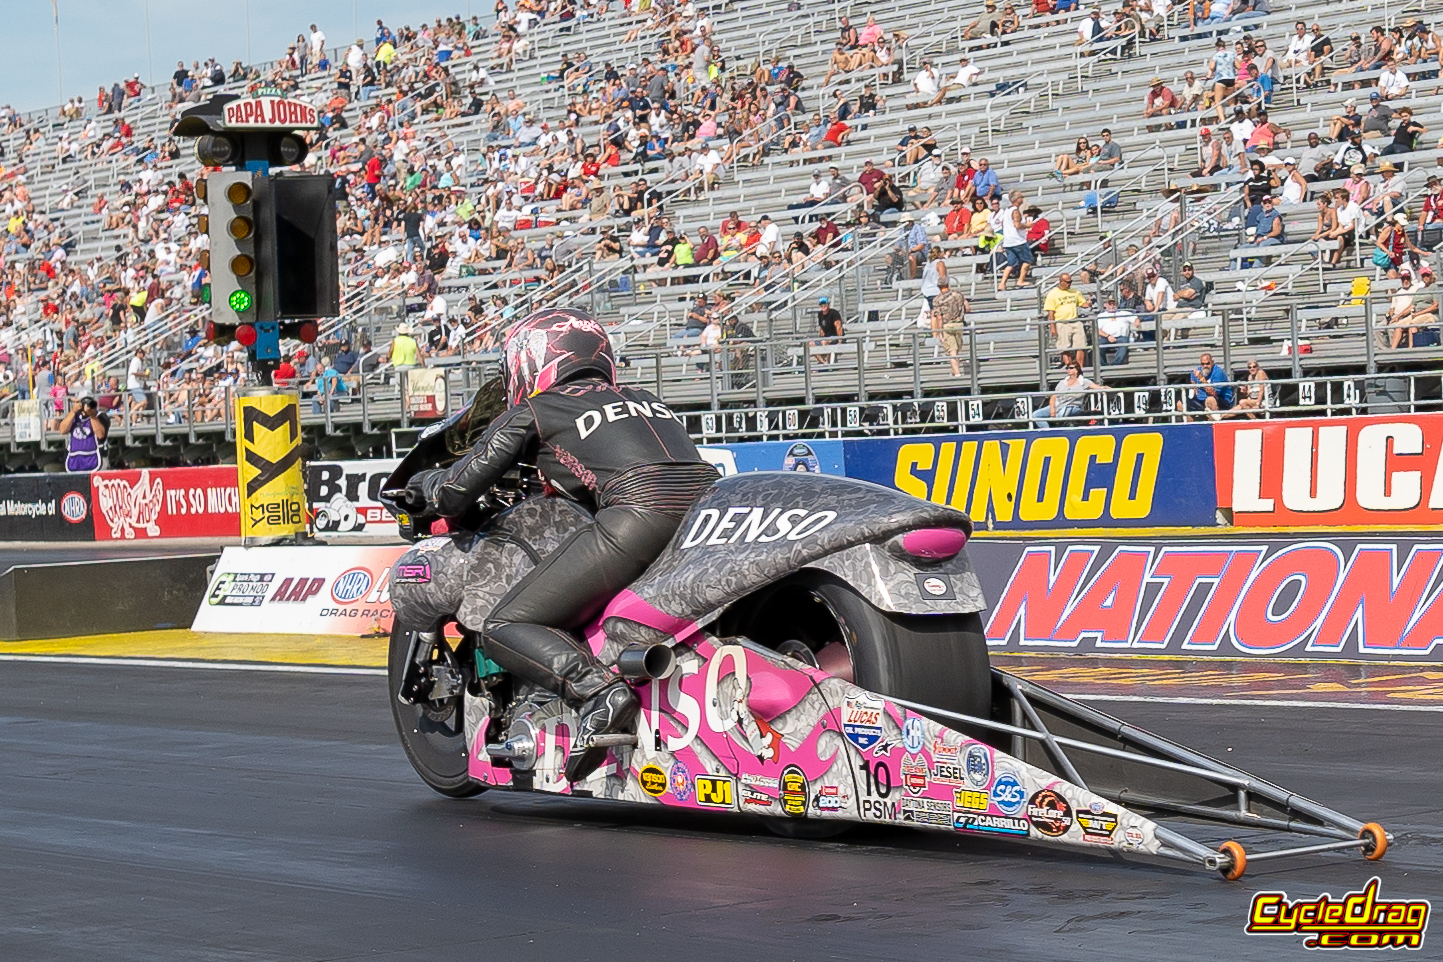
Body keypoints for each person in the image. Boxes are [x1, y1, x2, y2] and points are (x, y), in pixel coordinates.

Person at [403, 309, 718, 784]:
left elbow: (455, 492)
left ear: (530, 362)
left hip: (639, 518)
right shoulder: (646, 398)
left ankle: (596, 690)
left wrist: (424, 484)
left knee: (504, 624)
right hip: (708, 514)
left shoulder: (538, 408)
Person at [1030, 361, 1100, 428]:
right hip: (1058, 405)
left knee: (1060, 416)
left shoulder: (1083, 382)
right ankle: (1049, 431)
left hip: (1072, 406)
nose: (1068, 370)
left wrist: (1107, 388)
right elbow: (1054, 396)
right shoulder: (1062, 382)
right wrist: (1052, 408)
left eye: (1071, 368)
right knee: (1035, 415)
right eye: (1067, 368)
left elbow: (1097, 387)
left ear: (1077, 370)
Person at [1044, 272, 1090, 367]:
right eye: (1068, 282)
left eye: (1071, 282)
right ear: (1061, 281)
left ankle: (1079, 368)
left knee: (1081, 345)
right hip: (1061, 322)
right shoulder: (1053, 294)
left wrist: (1088, 303)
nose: (1070, 284)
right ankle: (1071, 368)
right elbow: (1051, 312)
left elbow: (1082, 303)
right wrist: (1053, 326)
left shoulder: (1075, 291)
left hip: (1075, 320)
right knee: (1064, 347)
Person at [59, 396, 110, 472]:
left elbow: (101, 435)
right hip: (74, 460)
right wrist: (73, 411)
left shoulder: (101, 416)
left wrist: (91, 415)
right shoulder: (74, 417)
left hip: (96, 458)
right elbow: (62, 430)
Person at [931, 277, 967, 377]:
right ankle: (953, 371)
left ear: (938, 286)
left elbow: (939, 317)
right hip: (959, 324)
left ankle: (958, 374)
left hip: (947, 325)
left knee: (952, 351)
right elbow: (967, 308)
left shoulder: (937, 299)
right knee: (956, 349)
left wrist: (939, 332)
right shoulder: (958, 294)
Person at [1182, 352, 1233, 417]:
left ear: (1212, 362)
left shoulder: (1218, 372)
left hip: (1221, 400)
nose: (1205, 366)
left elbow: (1214, 393)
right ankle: (1190, 425)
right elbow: (1194, 388)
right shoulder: (1196, 371)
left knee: (1210, 400)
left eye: (1207, 363)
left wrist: (1202, 379)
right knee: (1181, 403)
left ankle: (1215, 423)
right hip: (1201, 399)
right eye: (1203, 364)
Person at [815, 295, 844, 363]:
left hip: (834, 336)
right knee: (810, 344)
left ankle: (828, 363)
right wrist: (821, 337)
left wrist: (840, 341)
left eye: (825, 304)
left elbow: (838, 327)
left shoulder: (834, 313)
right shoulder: (820, 314)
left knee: (824, 342)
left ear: (828, 304)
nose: (823, 306)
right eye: (821, 305)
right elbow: (821, 328)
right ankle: (823, 363)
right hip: (826, 337)